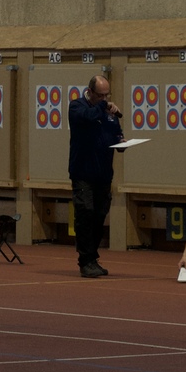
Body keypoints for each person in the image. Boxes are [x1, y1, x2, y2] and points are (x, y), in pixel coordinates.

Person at [69, 74, 123, 277]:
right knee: (85, 213)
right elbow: (88, 117)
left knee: (99, 216)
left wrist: (121, 141)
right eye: (100, 95)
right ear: (90, 92)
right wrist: (103, 107)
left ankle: (93, 258)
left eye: (107, 95)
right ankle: (85, 260)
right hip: (83, 172)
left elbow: (116, 132)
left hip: (104, 174)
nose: (104, 99)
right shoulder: (77, 106)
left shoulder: (107, 112)